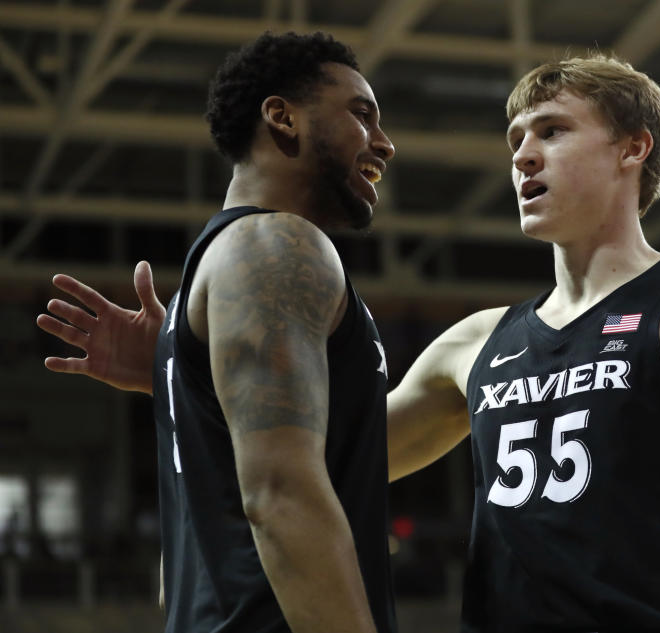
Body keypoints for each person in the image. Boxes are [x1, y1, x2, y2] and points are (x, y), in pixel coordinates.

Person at [39, 54, 660, 632]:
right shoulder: (476, 343)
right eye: (514, 140)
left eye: (552, 131)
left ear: (632, 149)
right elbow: (330, 450)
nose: (523, 156)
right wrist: (186, 366)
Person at [38, 31, 396, 633]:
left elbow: (195, 551)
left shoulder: (220, 275)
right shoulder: (277, 247)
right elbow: (281, 499)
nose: (384, 143)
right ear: (282, 118)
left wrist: (179, 380)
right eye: (362, 115)